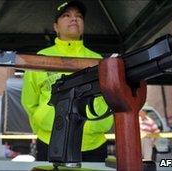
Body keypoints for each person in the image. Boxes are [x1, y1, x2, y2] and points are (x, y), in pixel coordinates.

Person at [21, 0, 113, 162]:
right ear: (56, 26)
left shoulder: (98, 60)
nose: (74, 19)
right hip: (51, 141)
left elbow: (110, 97)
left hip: (93, 143)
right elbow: (30, 102)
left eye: (79, 16)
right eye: (66, 15)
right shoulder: (40, 58)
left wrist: (99, 125)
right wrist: (43, 125)